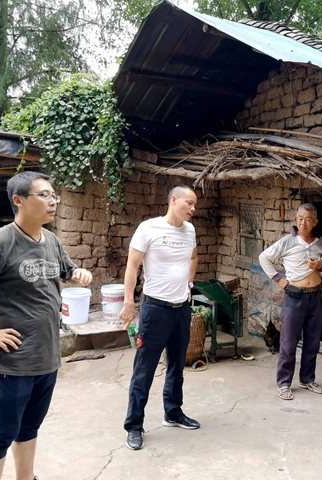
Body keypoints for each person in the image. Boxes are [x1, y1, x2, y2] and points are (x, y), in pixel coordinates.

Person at [0, 171, 92, 480]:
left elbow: (68, 272)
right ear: (19, 200)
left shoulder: (52, 241)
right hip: (12, 361)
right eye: (44, 195)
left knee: (29, 427)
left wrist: (79, 274)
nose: (52, 201)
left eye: (54, 195)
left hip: (46, 356)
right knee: (0, 434)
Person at [120, 184, 199, 451]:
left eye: (195, 205)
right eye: (189, 203)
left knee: (177, 364)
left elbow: (193, 257)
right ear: (173, 200)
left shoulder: (190, 231)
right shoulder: (148, 228)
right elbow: (132, 265)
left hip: (181, 308)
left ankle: (173, 413)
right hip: (155, 310)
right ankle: (134, 425)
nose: (193, 208)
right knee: (144, 369)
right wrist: (128, 302)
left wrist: (189, 284)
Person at [259, 203, 322, 400]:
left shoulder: (320, 243)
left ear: (315, 222)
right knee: (288, 342)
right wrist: (279, 279)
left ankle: (307, 379)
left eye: (308, 219)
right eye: (300, 218)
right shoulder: (287, 241)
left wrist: (320, 266)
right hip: (294, 296)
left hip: (315, 296)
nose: (303, 222)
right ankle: (284, 383)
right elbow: (264, 257)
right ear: (296, 220)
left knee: (312, 341)